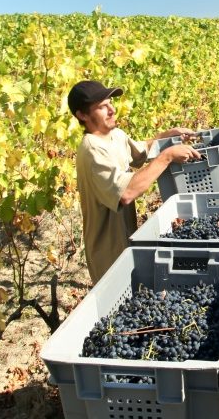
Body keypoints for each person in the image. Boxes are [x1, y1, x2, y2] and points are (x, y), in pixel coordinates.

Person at [68, 80, 202, 283]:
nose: (112, 110)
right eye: (102, 106)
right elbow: (125, 193)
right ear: (82, 115)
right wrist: (167, 156)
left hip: (127, 239)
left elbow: (140, 151)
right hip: (108, 252)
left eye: (110, 103)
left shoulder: (115, 135)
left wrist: (165, 136)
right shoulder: (92, 150)